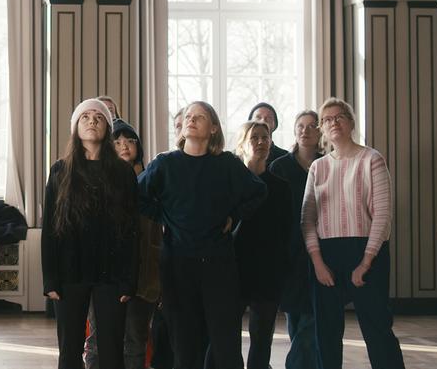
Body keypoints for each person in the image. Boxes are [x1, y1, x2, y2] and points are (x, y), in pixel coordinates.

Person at [137, 101, 266, 369]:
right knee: (184, 347)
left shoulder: (226, 163)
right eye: (188, 116)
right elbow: (137, 196)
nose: (191, 120)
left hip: (218, 265)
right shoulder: (165, 164)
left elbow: (258, 192)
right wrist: (162, 216)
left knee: (226, 346)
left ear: (213, 128)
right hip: (177, 265)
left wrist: (234, 215)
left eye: (200, 116)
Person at [302, 98, 406, 369]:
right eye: (327, 119)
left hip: (367, 252)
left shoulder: (372, 159)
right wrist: (317, 263)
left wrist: (366, 261)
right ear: (322, 129)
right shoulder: (318, 167)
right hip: (326, 256)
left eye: (339, 117)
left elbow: (382, 215)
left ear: (350, 122)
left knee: (377, 329)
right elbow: (307, 218)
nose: (333, 122)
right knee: (326, 332)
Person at [43, 99, 139, 369]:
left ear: (108, 128)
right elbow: (50, 228)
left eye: (99, 117)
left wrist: (129, 279)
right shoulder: (60, 171)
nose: (92, 121)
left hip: (112, 274)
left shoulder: (123, 172)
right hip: (69, 273)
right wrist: (50, 278)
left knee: (111, 351)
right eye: (85, 117)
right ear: (75, 127)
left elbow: (132, 231)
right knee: (69, 351)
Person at [85, 119, 159, 369]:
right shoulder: (98, 180)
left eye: (130, 141)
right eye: (117, 142)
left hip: (144, 274)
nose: (124, 146)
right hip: (105, 274)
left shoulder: (152, 181)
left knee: (135, 339)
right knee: (98, 339)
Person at [223, 120, 290, 369]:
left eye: (265, 137)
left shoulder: (281, 188)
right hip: (233, 269)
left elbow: (286, 233)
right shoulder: (230, 183)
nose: (261, 142)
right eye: (254, 138)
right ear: (241, 145)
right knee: (226, 336)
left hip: (267, 272)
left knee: (262, 339)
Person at [268, 110, 322, 369]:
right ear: (294, 130)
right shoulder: (279, 167)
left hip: (322, 249)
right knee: (296, 317)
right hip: (288, 250)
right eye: (301, 125)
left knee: (314, 316)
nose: (306, 130)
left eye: (312, 126)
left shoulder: (328, 163)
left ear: (320, 132)